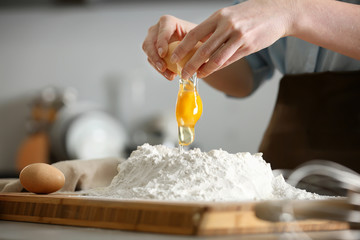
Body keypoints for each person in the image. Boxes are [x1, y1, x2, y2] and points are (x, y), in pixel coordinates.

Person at [142, 0, 360, 172]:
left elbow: (286, 14)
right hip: (288, 155)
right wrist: (201, 45)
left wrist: (293, 12)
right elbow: (243, 78)